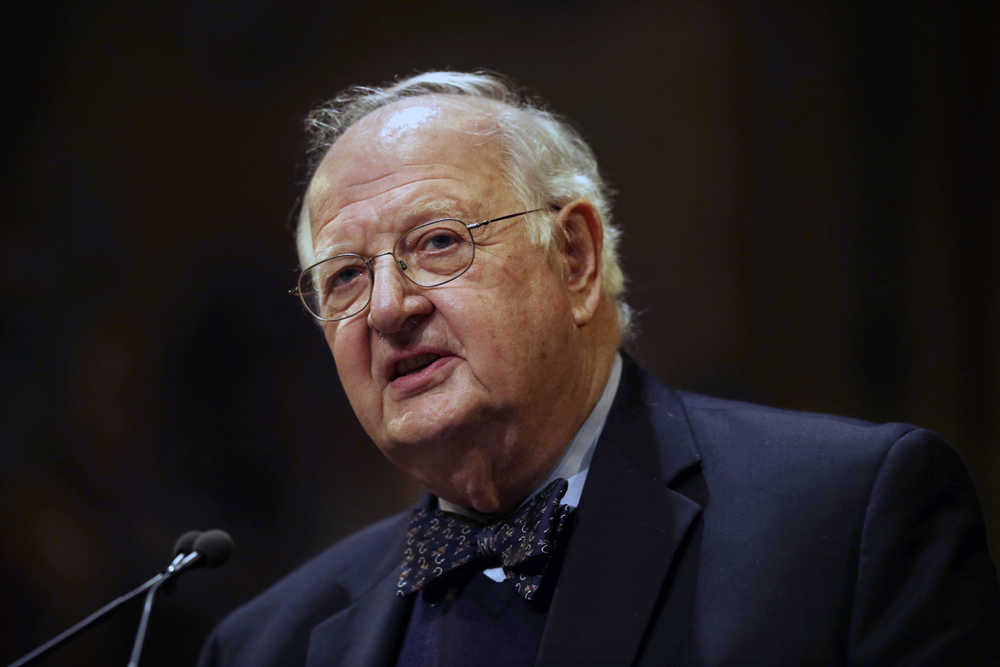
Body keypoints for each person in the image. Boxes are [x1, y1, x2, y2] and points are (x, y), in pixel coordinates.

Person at [197, 71, 999, 666]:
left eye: (437, 242)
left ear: (575, 256)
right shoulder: (264, 646)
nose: (385, 307)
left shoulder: (846, 519)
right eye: (343, 277)